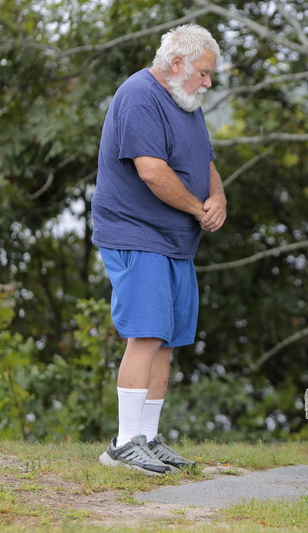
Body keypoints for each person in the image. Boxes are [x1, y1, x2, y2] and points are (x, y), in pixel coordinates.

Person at [91, 24, 227, 475]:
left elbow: (204, 160)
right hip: (137, 234)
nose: (208, 82)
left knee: (167, 340)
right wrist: (196, 209)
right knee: (146, 334)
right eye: (204, 73)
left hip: (175, 241)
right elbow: (151, 171)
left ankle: (147, 438)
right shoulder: (139, 95)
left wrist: (218, 199)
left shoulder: (186, 101)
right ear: (177, 64)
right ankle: (123, 445)